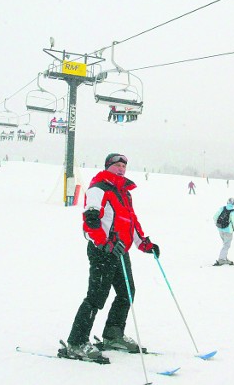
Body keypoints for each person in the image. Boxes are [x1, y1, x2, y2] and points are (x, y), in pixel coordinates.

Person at [64, 153, 160, 361]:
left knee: (127, 293)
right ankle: (77, 342)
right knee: (96, 297)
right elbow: (90, 220)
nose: (121, 169)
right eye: (117, 165)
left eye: (124, 166)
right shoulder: (99, 188)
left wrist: (144, 244)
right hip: (102, 251)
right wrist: (105, 243)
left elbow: (130, 222)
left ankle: (113, 334)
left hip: (120, 251)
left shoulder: (124, 193)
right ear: (108, 167)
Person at [212, 198, 234, 266]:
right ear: (233, 204)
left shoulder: (222, 208)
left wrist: (217, 224)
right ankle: (221, 259)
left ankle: (224, 257)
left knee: (225, 244)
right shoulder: (233, 211)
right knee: (226, 245)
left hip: (220, 229)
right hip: (228, 231)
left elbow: (214, 216)